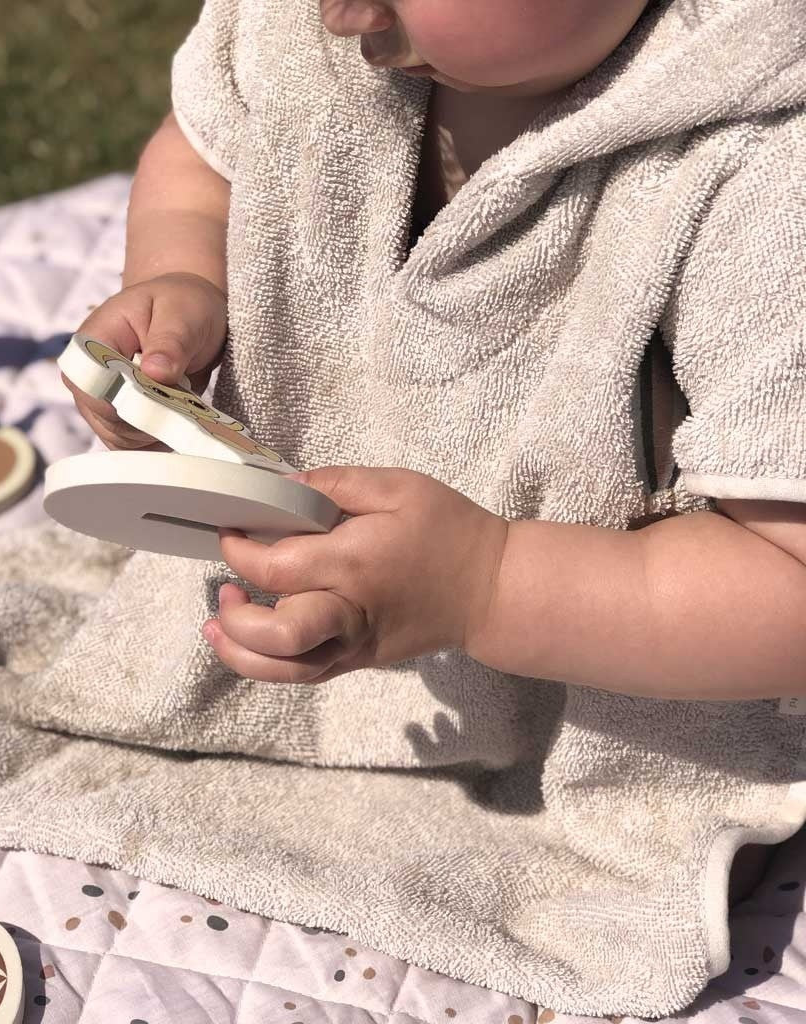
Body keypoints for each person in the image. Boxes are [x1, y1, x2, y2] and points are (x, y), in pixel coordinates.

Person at [65, 0, 804, 907]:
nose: (340, 13)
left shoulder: (771, 177)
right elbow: (202, 151)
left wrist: (486, 585)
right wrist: (180, 278)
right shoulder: (300, 29)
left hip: (619, 690)